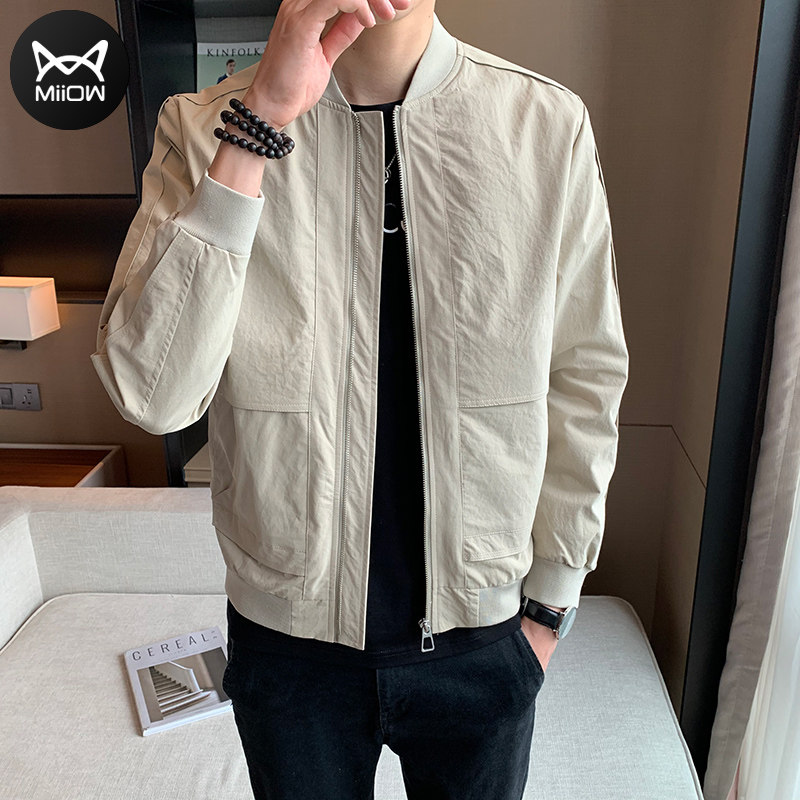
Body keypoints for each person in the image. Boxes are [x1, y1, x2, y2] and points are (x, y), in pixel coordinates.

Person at [90, 0, 629, 797]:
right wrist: (259, 123)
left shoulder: (544, 125)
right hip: (289, 648)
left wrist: (549, 606)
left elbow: (584, 374)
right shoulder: (204, 127)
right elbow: (153, 393)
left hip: (482, 636)